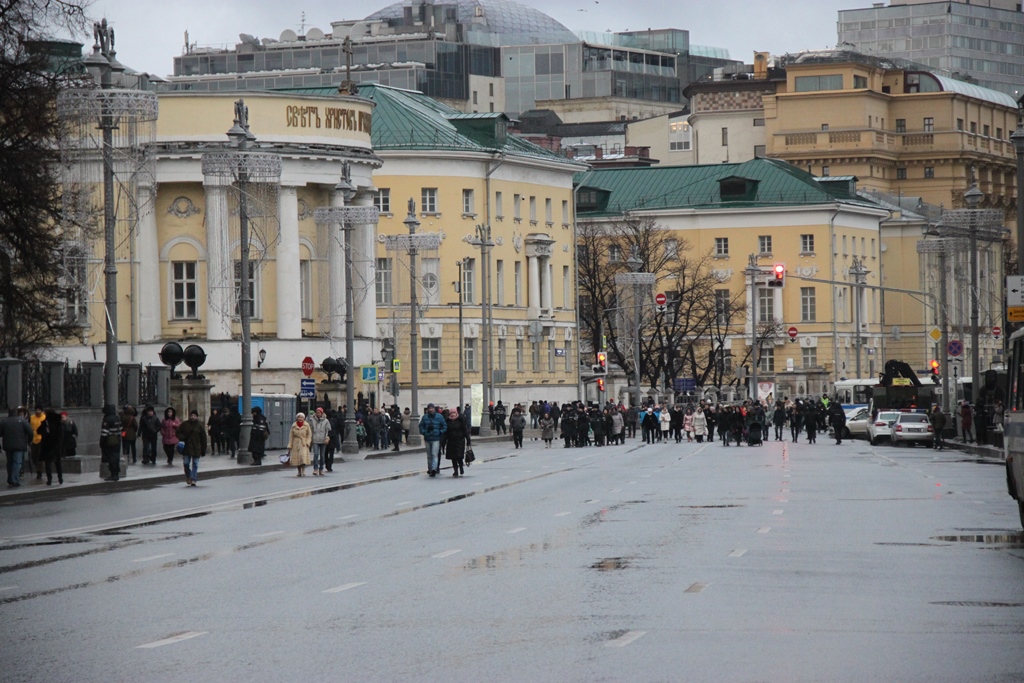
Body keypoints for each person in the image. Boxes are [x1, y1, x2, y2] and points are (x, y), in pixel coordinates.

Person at [1, 408, 32, 487]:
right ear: (16, 413)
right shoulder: (22, 421)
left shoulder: (3, 421)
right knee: (17, 462)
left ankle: (10, 479)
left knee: (10, 462)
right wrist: (29, 441)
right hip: (19, 445)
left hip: (8, 445)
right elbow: (30, 432)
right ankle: (14, 479)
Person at [175, 409, 207, 486]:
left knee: (195, 464)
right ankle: (188, 476)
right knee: (186, 463)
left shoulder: (199, 426)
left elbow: (203, 438)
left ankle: (193, 479)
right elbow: (178, 432)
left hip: (196, 448)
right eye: (191, 415)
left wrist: (203, 449)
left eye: (194, 416)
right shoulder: (185, 424)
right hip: (186, 448)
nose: (193, 417)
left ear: (197, 417)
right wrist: (182, 437)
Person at [419, 403, 447, 476]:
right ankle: (430, 468)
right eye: (429, 408)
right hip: (427, 438)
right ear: (428, 409)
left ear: (434, 409)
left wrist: (440, 432)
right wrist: (424, 432)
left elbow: (444, 425)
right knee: (429, 455)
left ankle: (434, 468)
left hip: (436, 438)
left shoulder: (439, 417)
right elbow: (421, 426)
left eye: (432, 408)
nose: (431, 409)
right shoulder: (425, 417)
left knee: (434, 454)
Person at [37, 408, 64, 486]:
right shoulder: (58, 422)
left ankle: (49, 479)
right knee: (58, 463)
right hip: (56, 445)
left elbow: (39, 431)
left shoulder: (46, 422)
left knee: (48, 463)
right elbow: (60, 436)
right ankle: (60, 478)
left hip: (47, 445)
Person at [444, 407, 472, 477]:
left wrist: (468, 439)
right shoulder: (447, 421)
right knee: (453, 457)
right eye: (451, 413)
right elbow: (446, 432)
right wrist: (443, 441)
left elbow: (465, 430)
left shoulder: (460, 420)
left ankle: (461, 467)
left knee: (459, 456)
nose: (452, 414)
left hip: (460, 441)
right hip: (451, 441)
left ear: (456, 413)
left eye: (454, 413)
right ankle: (455, 470)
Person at [100, 405, 122, 481]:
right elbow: (120, 430)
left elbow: (104, 433)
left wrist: (102, 442)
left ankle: (113, 474)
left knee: (111, 457)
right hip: (117, 440)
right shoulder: (117, 418)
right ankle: (116, 473)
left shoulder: (107, 419)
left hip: (109, 440)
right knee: (116, 457)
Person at [288, 412, 312, 477]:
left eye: (302, 417)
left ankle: (303, 470)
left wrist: (308, 442)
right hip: (295, 443)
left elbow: (309, 434)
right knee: (297, 458)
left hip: (303, 443)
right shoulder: (294, 425)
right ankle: (299, 471)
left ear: (304, 418)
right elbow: (291, 436)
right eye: (299, 417)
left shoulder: (306, 425)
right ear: (297, 418)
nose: (300, 418)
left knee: (302, 457)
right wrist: (290, 445)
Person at [309, 407, 330, 476]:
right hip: (315, 439)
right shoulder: (312, 420)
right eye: (317, 412)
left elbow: (328, 430)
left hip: (323, 439)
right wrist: (310, 438)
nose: (318, 414)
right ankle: (315, 469)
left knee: (322, 455)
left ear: (322, 413)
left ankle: (321, 469)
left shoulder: (326, 421)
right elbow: (309, 429)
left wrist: (327, 438)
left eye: (319, 412)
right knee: (315, 454)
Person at [28, 405, 45, 480]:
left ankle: (39, 472)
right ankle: (38, 468)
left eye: (39, 410)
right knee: (34, 457)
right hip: (33, 440)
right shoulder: (31, 418)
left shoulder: (44, 417)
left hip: (42, 440)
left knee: (39, 457)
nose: (37, 411)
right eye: (36, 410)